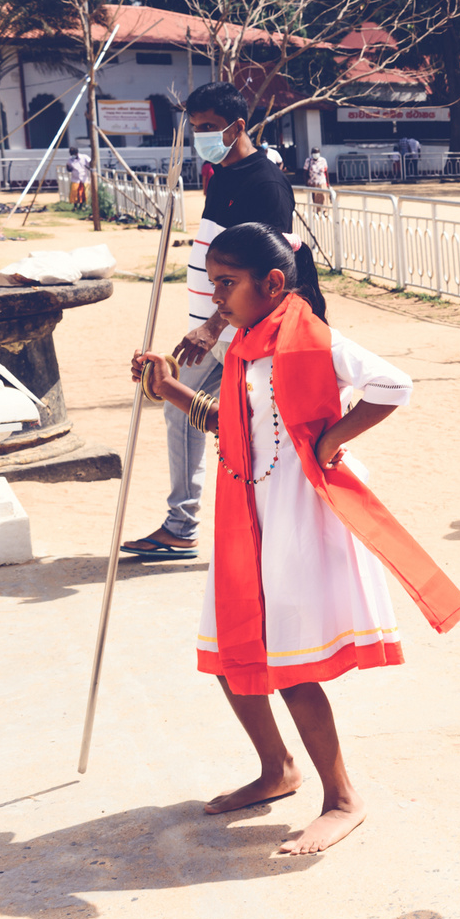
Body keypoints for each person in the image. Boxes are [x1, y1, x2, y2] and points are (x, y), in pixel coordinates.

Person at [130, 224, 460, 854]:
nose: (216, 299)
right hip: (244, 508)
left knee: (286, 662)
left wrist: (333, 439)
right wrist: (167, 387)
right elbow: (234, 427)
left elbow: (395, 385)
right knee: (233, 652)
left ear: (273, 283)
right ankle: (275, 769)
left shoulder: (311, 338)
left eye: (226, 285)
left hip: (295, 517)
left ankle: (342, 798)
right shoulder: (245, 344)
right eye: (212, 284)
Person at [121, 81, 296, 561]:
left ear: (237, 127)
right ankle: (181, 526)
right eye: (195, 128)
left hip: (244, 331)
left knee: (250, 425)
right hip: (211, 326)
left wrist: (215, 326)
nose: (200, 136)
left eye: (208, 128)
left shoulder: (266, 184)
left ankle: (272, 532)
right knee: (179, 406)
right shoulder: (220, 176)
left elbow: (265, 274)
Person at [303, 147, 330, 215]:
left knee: (324, 196)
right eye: (314, 153)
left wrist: (328, 183)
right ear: (312, 153)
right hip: (312, 182)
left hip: (322, 181)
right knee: (315, 197)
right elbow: (305, 172)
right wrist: (306, 182)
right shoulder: (308, 160)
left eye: (317, 152)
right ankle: (317, 211)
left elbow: (326, 172)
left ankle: (324, 211)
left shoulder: (323, 160)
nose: (316, 154)